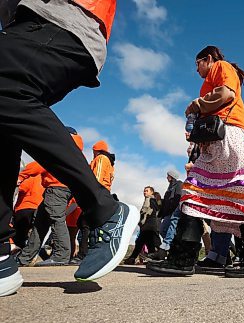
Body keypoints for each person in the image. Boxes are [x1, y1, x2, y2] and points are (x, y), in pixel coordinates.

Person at [0, 1, 139, 297]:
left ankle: (106, 210)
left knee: (6, 88)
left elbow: (41, 169)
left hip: (60, 19)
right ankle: (1, 257)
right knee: (5, 120)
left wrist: (26, 177)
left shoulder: (100, 161)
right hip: (27, 24)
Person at [147, 46, 244, 278]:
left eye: (198, 63)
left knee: (238, 197)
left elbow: (227, 94)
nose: (196, 69)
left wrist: (196, 105)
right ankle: (183, 258)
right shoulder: (212, 75)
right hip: (216, 144)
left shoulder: (222, 67)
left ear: (209, 59)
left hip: (231, 138)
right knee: (195, 194)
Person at [16, 129, 84, 267]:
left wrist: (21, 176)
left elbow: (42, 163)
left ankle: (61, 255)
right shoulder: (76, 152)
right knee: (40, 224)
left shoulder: (61, 148)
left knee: (56, 221)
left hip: (56, 189)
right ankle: (25, 258)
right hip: (63, 190)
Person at [124, 186, 160, 264]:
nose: (145, 192)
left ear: (151, 192)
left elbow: (148, 210)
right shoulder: (150, 200)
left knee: (147, 242)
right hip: (148, 225)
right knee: (144, 242)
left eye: (147, 191)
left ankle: (133, 258)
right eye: (144, 191)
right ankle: (134, 258)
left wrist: (141, 219)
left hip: (149, 224)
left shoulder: (151, 199)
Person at [12, 162, 43, 249]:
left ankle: (16, 254)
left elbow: (22, 189)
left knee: (19, 235)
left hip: (24, 208)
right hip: (38, 208)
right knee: (33, 233)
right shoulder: (43, 178)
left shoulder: (29, 176)